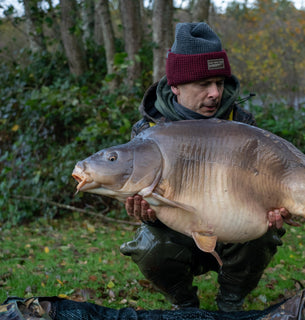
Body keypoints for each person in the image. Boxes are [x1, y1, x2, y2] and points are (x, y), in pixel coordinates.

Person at [120, 22, 292, 312]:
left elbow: (262, 186)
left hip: (232, 230)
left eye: (220, 83)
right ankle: (185, 305)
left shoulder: (241, 123)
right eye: (203, 85)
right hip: (178, 234)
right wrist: (146, 215)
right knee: (149, 247)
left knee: (264, 234)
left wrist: (275, 207)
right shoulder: (148, 130)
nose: (215, 93)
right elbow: (147, 200)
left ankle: (230, 302)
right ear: (175, 86)